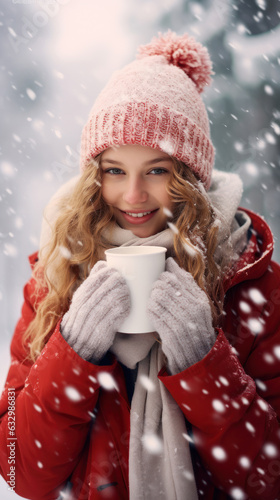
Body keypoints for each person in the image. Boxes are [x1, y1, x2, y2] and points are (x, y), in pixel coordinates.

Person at [0, 30, 280, 500]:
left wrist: (202, 363)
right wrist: (73, 350)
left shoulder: (252, 280)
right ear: (94, 176)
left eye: (156, 170)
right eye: (114, 170)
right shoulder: (56, 275)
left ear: (190, 176)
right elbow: (18, 468)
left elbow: (268, 481)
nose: (132, 196)